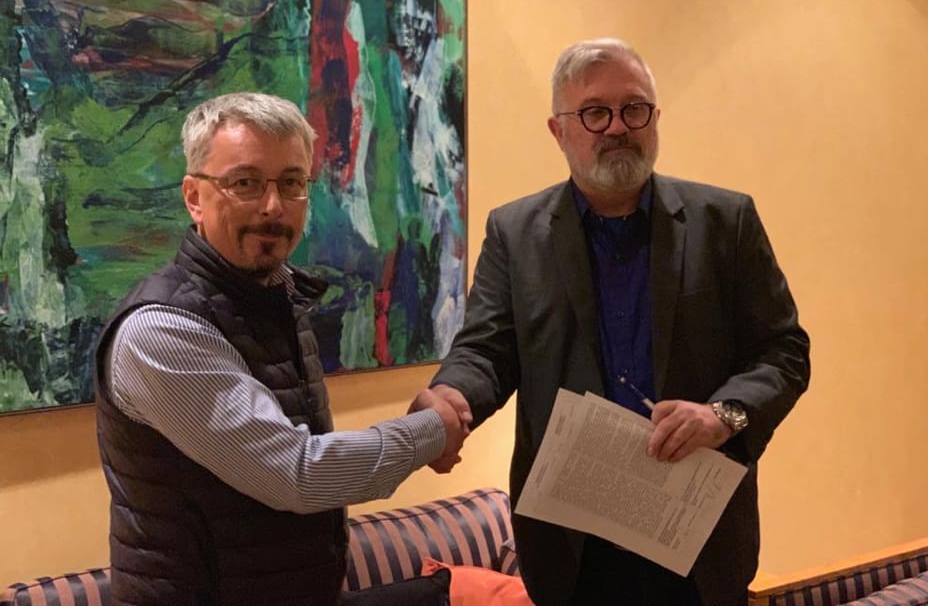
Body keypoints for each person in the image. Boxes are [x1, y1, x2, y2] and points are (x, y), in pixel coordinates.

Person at [423, 38, 811, 606]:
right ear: (558, 130)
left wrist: (722, 416)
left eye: (634, 109)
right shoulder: (514, 233)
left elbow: (784, 351)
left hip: (698, 540)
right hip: (573, 552)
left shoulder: (725, 222)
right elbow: (487, 350)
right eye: (594, 113)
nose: (617, 127)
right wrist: (449, 399)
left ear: (655, 118)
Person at [94, 92, 466, 606]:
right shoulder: (160, 331)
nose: (273, 207)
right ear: (194, 197)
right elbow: (297, 474)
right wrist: (431, 430)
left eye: (291, 183)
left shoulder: (278, 297)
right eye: (245, 183)